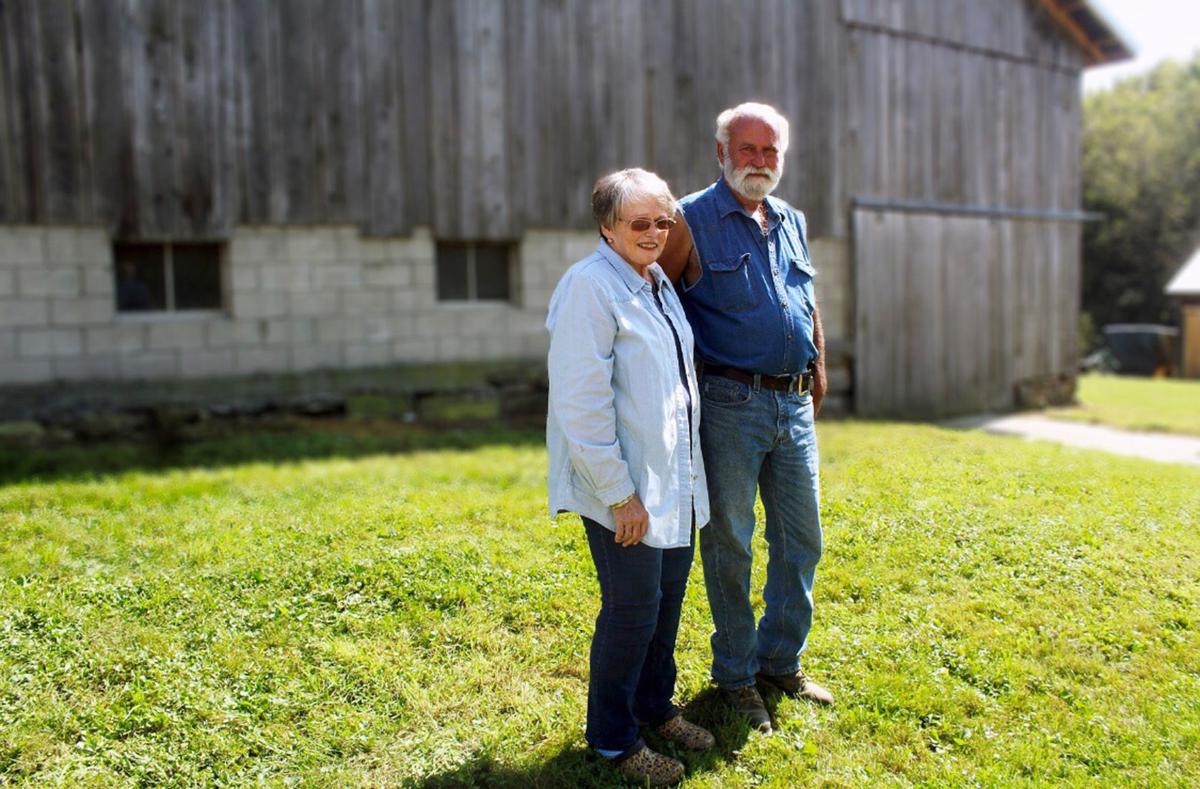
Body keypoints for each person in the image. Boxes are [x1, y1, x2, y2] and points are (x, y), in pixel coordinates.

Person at [659, 102, 834, 735]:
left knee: (801, 538)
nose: (759, 162)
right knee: (730, 542)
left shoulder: (791, 219)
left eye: (770, 152)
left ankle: (780, 662)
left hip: (794, 404)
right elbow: (661, 312)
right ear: (721, 152)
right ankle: (735, 676)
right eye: (747, 149)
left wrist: (819, 363)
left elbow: (804, 296)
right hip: (729, 406)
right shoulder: (688, 221)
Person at [546, 168, 713, 786]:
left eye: (662, 222)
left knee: (665, 607)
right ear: (607, 225)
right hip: (625, 491)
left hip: (674, 482)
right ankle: (614, 741)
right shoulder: (590, 287)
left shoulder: (657, 282)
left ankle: (654, 708)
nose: (653, 233)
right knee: (632, 611)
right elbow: (581, 403)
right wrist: (620, 495)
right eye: (639, 222)